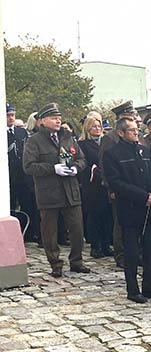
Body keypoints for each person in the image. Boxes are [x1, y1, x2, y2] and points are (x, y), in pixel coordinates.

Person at [103, 117, 151, 303]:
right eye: (131, 130)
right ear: (121, 133)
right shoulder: (112, 154)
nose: (135, 133)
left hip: (149, 208)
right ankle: (133, 289)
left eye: (136, 130)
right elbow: (116, 182)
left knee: (150, 249)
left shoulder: (144, 151)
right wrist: (141, 196)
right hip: (130, 208)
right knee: (131, 251)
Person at [22, 103, 90, 277]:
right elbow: (29, 167)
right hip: (49, 191)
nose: (58, 120)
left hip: (70, 190)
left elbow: (81, 158)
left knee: (77, 228)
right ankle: (55, 264)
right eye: (53, 117)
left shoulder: (67, 136)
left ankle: (77, 261)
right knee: (49, 232)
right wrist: (53, 168)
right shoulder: (34, 141)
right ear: (43, 121)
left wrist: (76, 168)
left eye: (59, 117)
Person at [99, 100, 141, 268]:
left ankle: (136, 252)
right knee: (120, 222)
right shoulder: (110, 138)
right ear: (122, 117)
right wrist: (111, 187)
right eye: (130, 115)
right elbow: (104, 164)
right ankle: (121, 255)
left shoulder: (137, 135)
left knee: (137, 221)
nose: (134, 117)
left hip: (137, 186)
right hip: (119, 186)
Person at [78, 116, 113, 258]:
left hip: (107, 185)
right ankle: (95, 245)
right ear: (87, 128)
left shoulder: (107, 142)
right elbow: (83, 164)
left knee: (107, 215)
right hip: (92, 185)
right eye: (94, 126)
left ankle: (106, 244)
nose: (97, 129)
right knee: (94, 216)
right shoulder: (82, 144)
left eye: (99, 126)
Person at [7, 103, 39, 242]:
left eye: (12, 115)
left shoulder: (21, 132)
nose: (11, 118)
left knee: (28, 204)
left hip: (22, 174)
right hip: (8, 175)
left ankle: (29, 233)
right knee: (10, 205)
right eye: (8, 115)